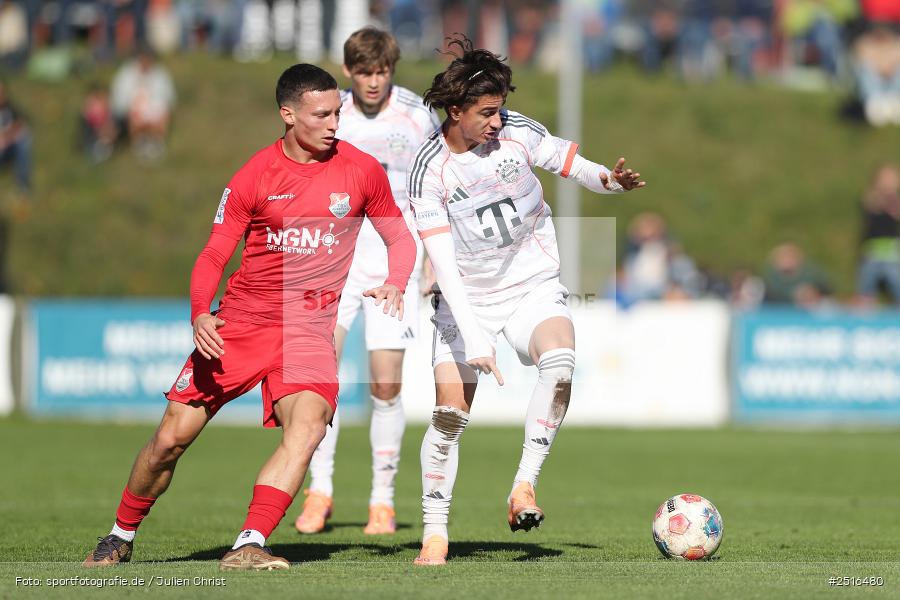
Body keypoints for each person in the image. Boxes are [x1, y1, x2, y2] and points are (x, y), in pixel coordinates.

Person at [82, 63, 417, 571]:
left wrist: (396, 279)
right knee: (170, 440)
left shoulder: (361, 171)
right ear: (287, 114)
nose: (334, 123)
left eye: (337, 113)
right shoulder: (255, 175)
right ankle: (119, 534)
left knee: (308, 430)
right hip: (240, 326)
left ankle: (249, 542)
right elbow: (214, 254)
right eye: (321, 114)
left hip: (308, 330)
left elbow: (398, 236)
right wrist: (200, 314)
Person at [408, 36, 643, 566]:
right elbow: (443, 263)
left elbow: (576, 166)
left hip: (530, 284)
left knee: (560, 364)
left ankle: (523, 487)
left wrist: (611, 181)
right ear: (455, 110)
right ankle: (435, 534)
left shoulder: (518, 131)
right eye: (486, 113)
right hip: (465, 298)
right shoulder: (430, 171)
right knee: (450, 417)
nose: (497, 122)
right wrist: (472, 337)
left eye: (500, 109)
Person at [293, 27, 440, 537]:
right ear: (350, 72)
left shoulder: (418, 115)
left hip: (394, 257)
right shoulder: (335, 115)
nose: (373, 82)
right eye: (363, 73)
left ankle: (381, 499)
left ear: (392, 70)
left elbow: (435, 182)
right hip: (335, 259)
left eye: (381, 72)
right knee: (318, 378)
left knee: (385, 383)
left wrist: (433, 256)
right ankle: (320, 490)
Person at [110, 47, 176, 161]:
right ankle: (139, 143)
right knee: (136, 114)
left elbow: (169, 97)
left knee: (161, 113)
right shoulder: (126, 74)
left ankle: (156, 143)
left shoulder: (160, 74)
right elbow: (119, 100)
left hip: (153, 109)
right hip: (131, 110)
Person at [857, 164, 900, 305]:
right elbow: (872, 206)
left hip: (891, 249)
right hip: (873, 248)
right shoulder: (872, 197)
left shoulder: (895, 200)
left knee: (895, 281)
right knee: (867, 283)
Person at [0, 80, 32, 196]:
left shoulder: (10, 109)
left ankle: (23, 185)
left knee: (24, 142)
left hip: (8, 148)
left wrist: (6, 137)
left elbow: (22, 123)